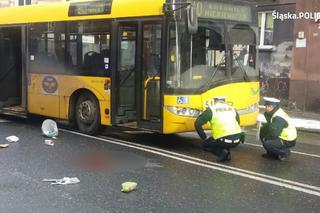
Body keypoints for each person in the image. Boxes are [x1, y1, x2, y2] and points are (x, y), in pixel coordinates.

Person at [195, 97, 244, 162]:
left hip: (223, 140)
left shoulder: (211, 110)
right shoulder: (232, 109)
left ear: (214, 101)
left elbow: (197, 123)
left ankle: (221, 153)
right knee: (225, 137)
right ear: (224, 101)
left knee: (205, 145)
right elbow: (238, 122)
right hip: (238, 139)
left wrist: (204, 137)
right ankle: (227, 155)